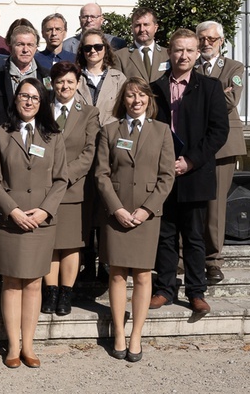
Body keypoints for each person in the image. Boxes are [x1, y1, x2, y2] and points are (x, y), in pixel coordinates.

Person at [0, 78, 67, 369]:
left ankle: (29, 345)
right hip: (9, 221)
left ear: (42, 103)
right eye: (23, 96)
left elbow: (61, 179)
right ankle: (13, 346)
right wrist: (13, 210)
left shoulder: (54, 136)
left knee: (33, 283)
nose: (29, 101)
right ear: (15, 100)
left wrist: (45, 211)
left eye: (35, 97)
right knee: (11, 281)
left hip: (41, 222)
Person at [149, 29, 229, 316]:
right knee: (165, 234)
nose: (183, 56)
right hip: (163, 175)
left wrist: (190, 161)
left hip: (195, 173)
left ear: (197, 54)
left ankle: (196, 292)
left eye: (189, 50)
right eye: (178, 50)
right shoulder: (155, 87)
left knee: (194, 236)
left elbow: (218, 132)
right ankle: (164, 289)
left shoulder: (210, 87)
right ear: (169, 53)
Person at [96, 77, 175, 362]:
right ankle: (118, 332)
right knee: (116, 274)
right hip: (116, 212)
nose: (136, 100)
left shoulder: (163, 131)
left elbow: (167, 178)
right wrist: (116, 208)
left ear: (149, 99)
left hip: (146, 214)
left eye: (141, 95)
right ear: (123, 99)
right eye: (130, 95)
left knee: (142, 275)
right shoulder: (109, 130)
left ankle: (136, 335)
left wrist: (147, 209)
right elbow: (101, 175)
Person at [41, 62, 99, 317]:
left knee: (72, 244)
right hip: (43, 188)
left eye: (70, 82)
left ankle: (66, 293)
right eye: (60, 82)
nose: (64, 86)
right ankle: (50, 291)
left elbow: (90, 151)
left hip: (74, 188)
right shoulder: (42, 109)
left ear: (78, 84)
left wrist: (64, 176)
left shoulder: (89, 112)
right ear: (52, 84)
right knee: (50, 244)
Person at [195, 21, 245, 284]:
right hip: (194, 144)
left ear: (221, 41)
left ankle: (213, 261)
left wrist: (199, 96)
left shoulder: (234, 67)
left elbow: (230, 100)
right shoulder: (190, 65)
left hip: (224, 145)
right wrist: (217, 91)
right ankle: (185, 258)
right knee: (190, 201)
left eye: (211, 39)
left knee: (215, 206)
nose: (206, 43)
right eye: (201, 39)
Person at [0, 25, 50, 144]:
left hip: (38, 145)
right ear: (10, 47)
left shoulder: (47, 77)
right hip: (2, 145)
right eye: (20, 44)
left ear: (36, 48)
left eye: (30, 45)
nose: (25, 49)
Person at [74, 28, 126, 127]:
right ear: (82, 51)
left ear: (105, 48)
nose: (93, 51)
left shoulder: (119, 78)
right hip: (82, 135)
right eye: (88, 48)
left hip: (110, 134)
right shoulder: (74, 78)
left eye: (98, 47)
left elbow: (124, 109)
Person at [113, 7, 169, 82]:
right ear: (132, 28)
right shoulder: (120, 57)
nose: (142, 29)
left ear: (155, 28)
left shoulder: (168, 55)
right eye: (137, 25)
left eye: (146, 25)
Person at [62, 3, 127, 54]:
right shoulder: (66, 46)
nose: (89, 20)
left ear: (101, 19)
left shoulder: (117, 44)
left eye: (93, 17)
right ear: (80, 19)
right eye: (85, 17)